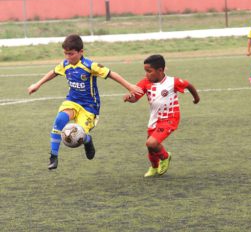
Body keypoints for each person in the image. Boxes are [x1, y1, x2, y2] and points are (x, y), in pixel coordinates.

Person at [27, 34, 141, 170]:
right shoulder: (65, 64)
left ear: (81, 52)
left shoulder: (90, 66)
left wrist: (129, 86)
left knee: (78, 137)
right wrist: (38, 84)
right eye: (65, 54)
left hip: (89, 107)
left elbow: (111, 74)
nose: (68, 57)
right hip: (72, 102)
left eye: (71, 54)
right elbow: (53, 72)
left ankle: (88, 140)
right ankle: (53, 157)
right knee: (59, 121)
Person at [123, 54, 200, 177]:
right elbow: (135, 98)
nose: (147, 74)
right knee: (150, 147)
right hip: (154, 118)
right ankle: (154, 167)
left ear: (160, 70)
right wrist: (129, 98)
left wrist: (196, 98)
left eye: (149, 71)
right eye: (145, 71)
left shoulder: (172, 82)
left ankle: (165, 157)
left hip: (170, 118)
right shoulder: (145, 82)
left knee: (151, 143)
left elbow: (189, 85)